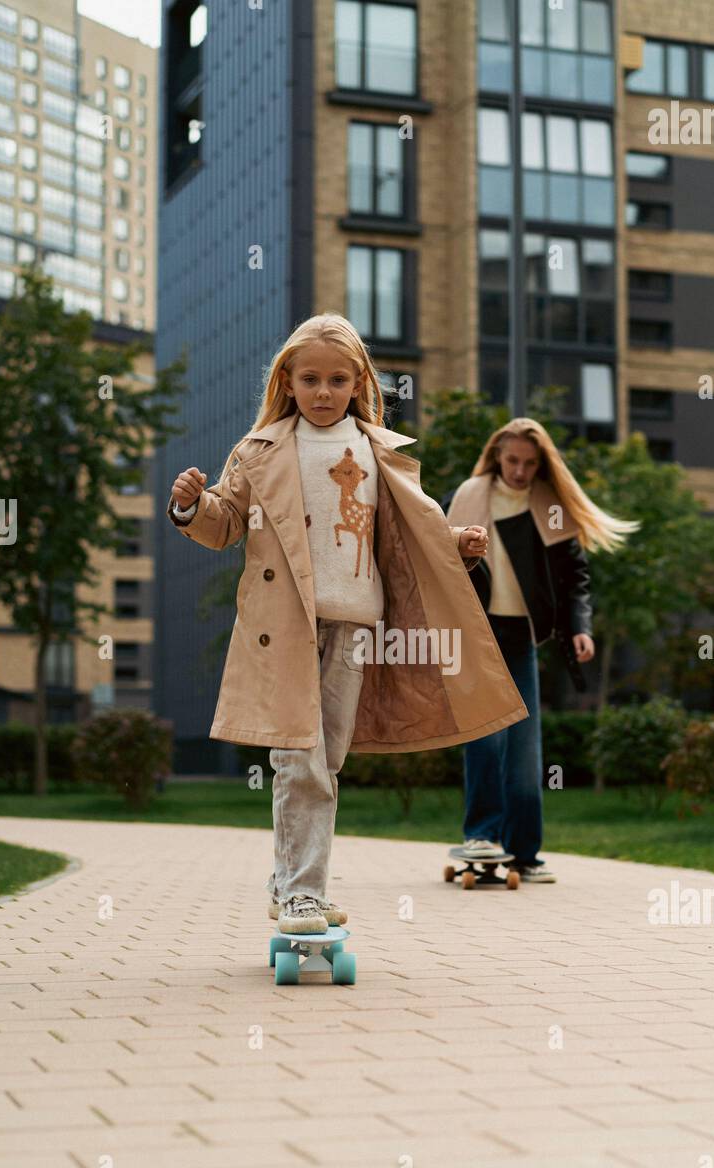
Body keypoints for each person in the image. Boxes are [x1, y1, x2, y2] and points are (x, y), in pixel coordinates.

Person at [166, 314, 528, 934]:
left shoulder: (379, 449)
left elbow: (408, 530)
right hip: (285, 628)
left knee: (326, 760)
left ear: (359, 382)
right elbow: (226, 524)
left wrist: (455, 543)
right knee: (298, 758)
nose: (324, 391)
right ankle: (304, 892)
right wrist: (190, 506)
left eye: (338, 379)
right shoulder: (259, 451)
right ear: (288, 379)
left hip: (359, 625)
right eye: (310, 379)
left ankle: (288, 883)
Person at [445, 418, 637, 883]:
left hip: (521, 638)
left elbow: (575, 578)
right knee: (486, 738)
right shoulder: (469, 495)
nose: (519, 471)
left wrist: (580, 628)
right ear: (497, 457)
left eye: (529, 463)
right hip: (476, 632)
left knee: (526, 751)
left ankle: (524, 854)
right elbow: (437, 562)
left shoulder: (549, 506)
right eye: (512, 460)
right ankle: (481, 836)